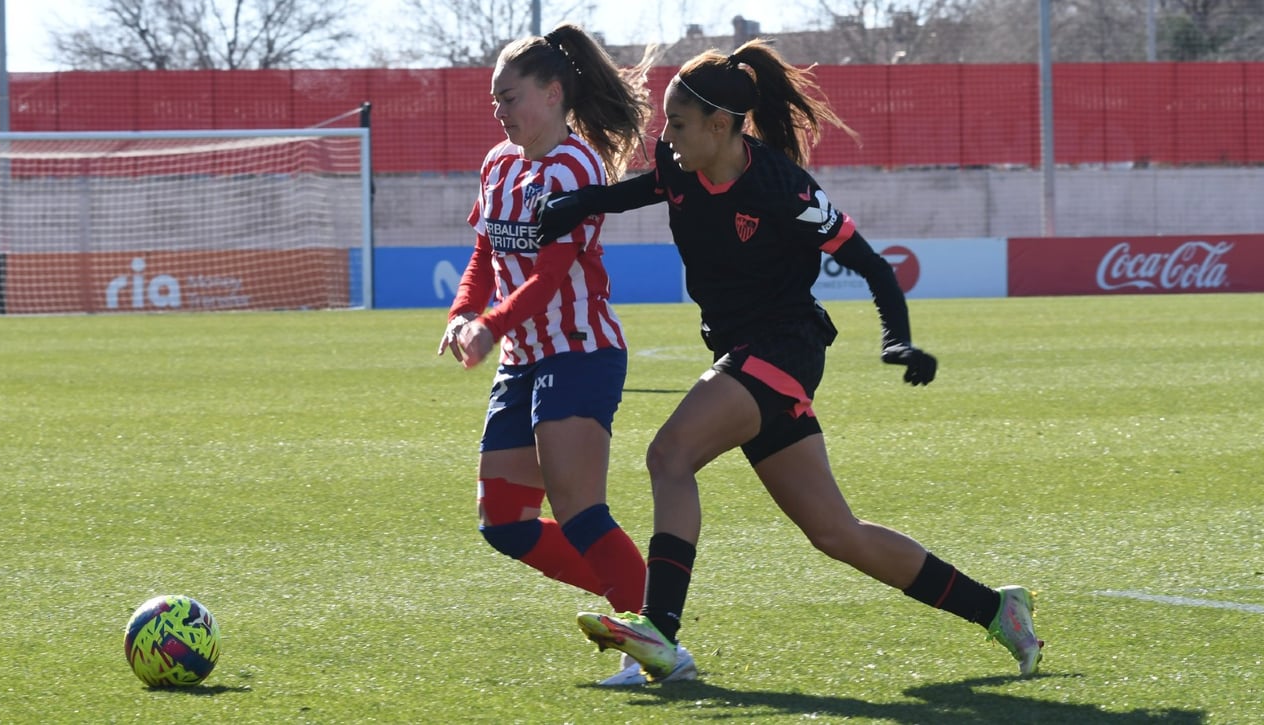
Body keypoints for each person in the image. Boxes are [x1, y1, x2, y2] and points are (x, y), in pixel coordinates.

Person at [536, 40, 1045, 682]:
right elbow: (635, 192)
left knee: (670, 455)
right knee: (837, 533)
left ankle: (661, 630)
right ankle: (1000, 610)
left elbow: (870, 263)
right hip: (743, 356)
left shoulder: (781, 185)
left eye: (679, 123)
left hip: (784, 347)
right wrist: (575, 206)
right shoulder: (678, 166)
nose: (665, 136)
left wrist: (897, 338)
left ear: (721, 127)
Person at [435, 23, 696, 686]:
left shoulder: (574, 167)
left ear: (552, 93)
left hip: (580, 353)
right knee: (505, 520)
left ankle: (655, 634)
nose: (501, 112)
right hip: (522, 360)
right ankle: (633, 608)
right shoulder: (498, 162)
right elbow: (486, 252)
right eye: (495, 101)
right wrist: (465, 312)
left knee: (580, 510)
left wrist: (489, 325)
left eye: (511, 97)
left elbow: (551, 273)